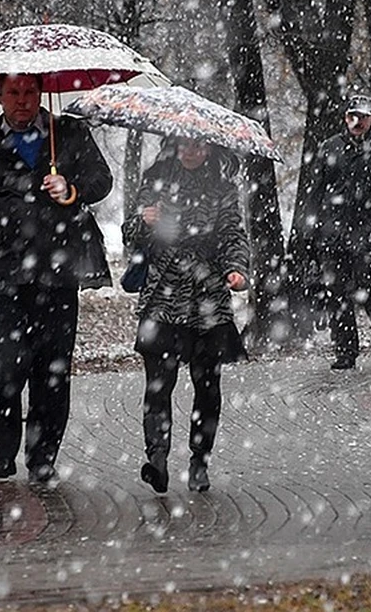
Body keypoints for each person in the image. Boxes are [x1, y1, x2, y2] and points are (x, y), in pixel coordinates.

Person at [0, 73, 113, 484]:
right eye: (14, 93)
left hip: (58, 274)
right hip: (4, 277)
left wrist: (70, 189)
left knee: (52, 370)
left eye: (30, 92)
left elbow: (101, 181)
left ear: (41, 94)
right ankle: (0, 455)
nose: (22, 101)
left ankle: (43, 457)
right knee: (5, 366)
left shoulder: (67, 134)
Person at [122, 138, 250, 494]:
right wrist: (145, 220)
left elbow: (232, 236)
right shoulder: (156, 181)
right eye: (184, 145)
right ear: (174, 147)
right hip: (162, 298)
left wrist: (237, 269)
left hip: (207, 298)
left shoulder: (222, 188)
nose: (191, 151)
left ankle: (199, 460)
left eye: (199, 145)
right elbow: (129, 234)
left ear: (210, 150)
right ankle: (157, 458)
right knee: (158, 385)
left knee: (207, 386)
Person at [307, 94, 371, 370]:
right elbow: (315, 192)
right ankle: (346, 350)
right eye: (352, 116)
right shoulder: (329, 148)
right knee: (337, 293)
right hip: (333, 234)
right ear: (344, 117)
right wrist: (311, 231)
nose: (356, 121)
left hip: (370, 234)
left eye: (362, 116)